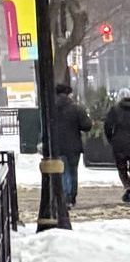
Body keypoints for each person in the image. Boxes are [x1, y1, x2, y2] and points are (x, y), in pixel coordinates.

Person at [48, 80, 92, 208]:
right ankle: (71, 196)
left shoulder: (51, 108)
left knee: (63, 171)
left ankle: (64, 195)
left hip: (58, 145)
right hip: (74, 146)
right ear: (68, 94)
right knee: (73, 171)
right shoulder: (76, 108)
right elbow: (86, 126)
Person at [105, 91, 130, 206]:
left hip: (119, 142)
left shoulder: (114, 110)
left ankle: (127, 186)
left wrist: (111, 139)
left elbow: (108, 126)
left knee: (122, 167)